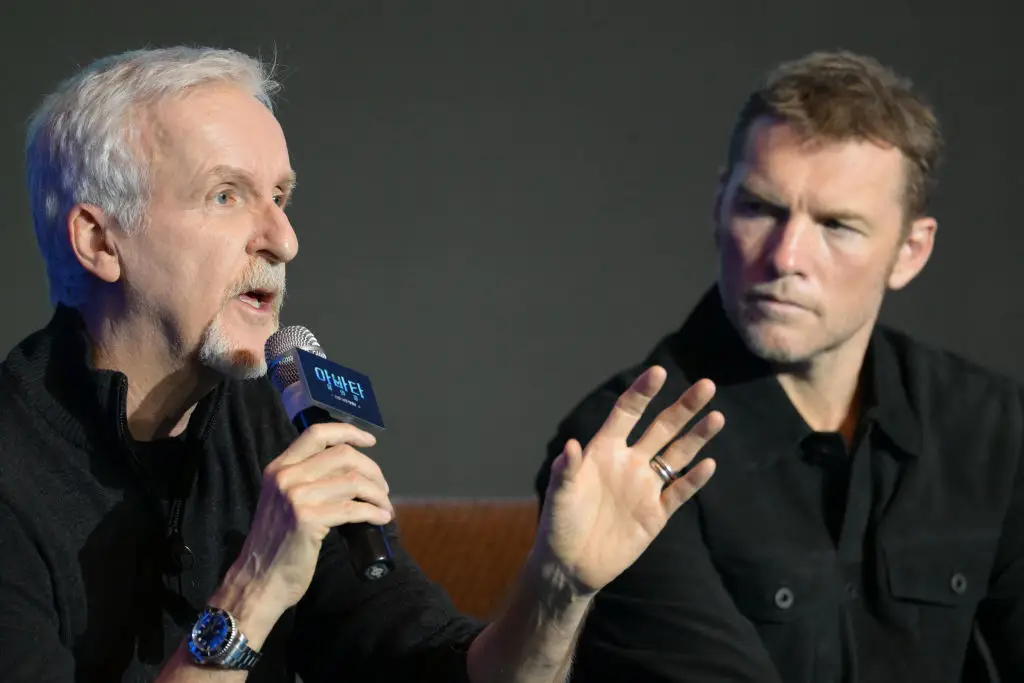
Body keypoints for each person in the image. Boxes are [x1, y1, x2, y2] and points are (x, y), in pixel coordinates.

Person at [0, 46, 725, 682]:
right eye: (227, 195)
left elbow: (437, 665)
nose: (283, 239)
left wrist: (557, 588)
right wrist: (254, 589)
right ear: (99, 240)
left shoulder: (272, 412)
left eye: (281, 198)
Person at [535, 50, 1024, 683]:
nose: (786, 256)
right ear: (719, 207)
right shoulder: (621, 448)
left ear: (910, 252)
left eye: (837, 225)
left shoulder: (991, 426)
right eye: (760, 209)